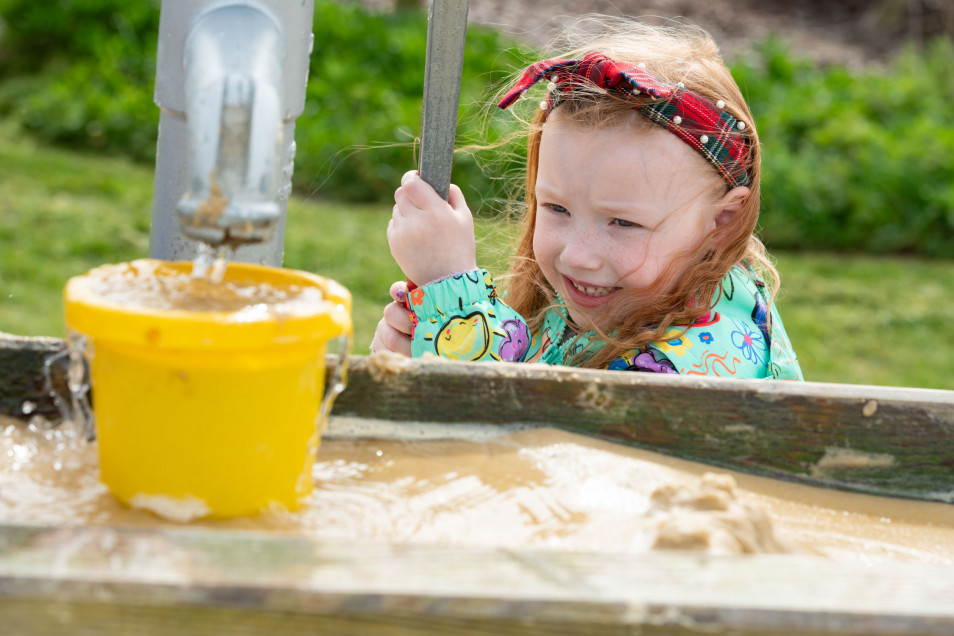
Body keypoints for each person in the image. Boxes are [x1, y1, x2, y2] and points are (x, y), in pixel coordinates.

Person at [373, 20, 802, 380]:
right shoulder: (625, 301)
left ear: (722, 220)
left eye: (622, 223)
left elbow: (520, 455)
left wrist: (452, 300)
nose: (577, 256)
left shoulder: (689, 371)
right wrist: (422, 353)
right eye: (557, 208)